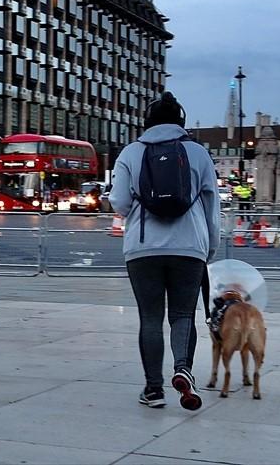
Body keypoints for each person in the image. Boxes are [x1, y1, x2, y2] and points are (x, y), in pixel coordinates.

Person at [110, 92, 221, 412]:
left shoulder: (131, 152)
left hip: (143, 248)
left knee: (150, 318)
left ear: (147, 122)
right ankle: (183, 368)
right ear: (181, 121)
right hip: (190, 247)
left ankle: (153, 389)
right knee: (183, 315)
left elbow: (119, 203)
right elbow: (213, 204)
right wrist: (209, 246)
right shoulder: (198, 153)